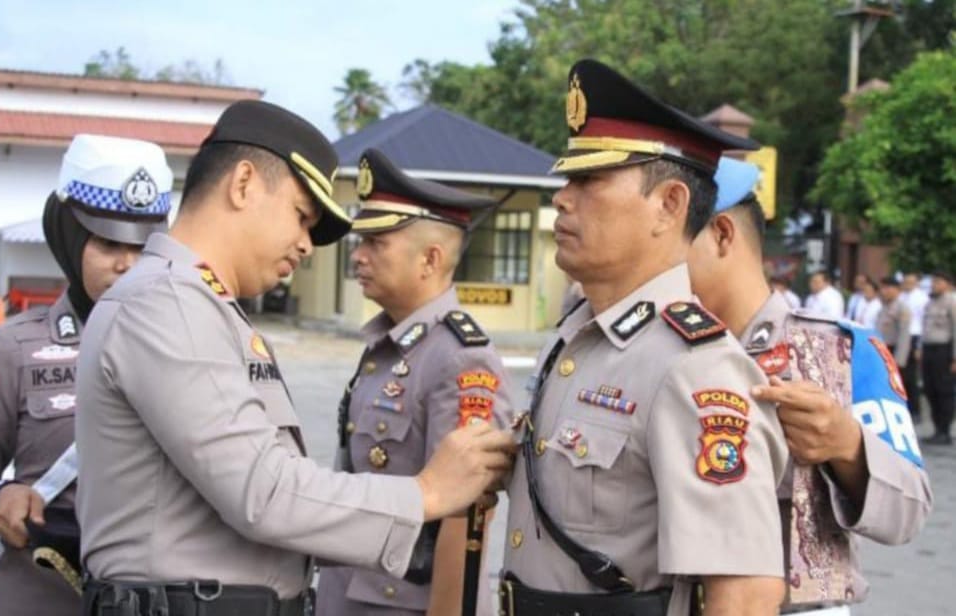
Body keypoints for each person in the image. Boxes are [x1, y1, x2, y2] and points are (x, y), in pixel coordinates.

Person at [74, 100, 515, 616]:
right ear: (243, 185)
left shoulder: (201, 306)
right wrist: (425, 494)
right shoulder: (169, 303)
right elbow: (263, 490)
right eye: (302, 217)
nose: (308, 246)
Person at [500, 59, 789, 616]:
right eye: (566, 179)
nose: (562, 198)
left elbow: (745, 595)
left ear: (669, 205)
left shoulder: (694, 368)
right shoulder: (578, 342)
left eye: (589, 180)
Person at [689, 158, 931, 614]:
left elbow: (910, 510)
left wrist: (849, 447)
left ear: (722, 234)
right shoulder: (657, 349)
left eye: (675, 240)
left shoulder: (838, 349)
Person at [0, 135, 174, 616]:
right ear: (68, 235)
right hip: (42, 597)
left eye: (143, 247)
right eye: (108, 244)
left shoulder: (191, 348)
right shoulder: (10, 349)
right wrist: (1, 496)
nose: (128, 265)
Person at [315, 148, 514, 616]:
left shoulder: (461, 357)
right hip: (348, 593)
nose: (358, 256)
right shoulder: (389, 345)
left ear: (430, 258)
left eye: (376, 243)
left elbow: (466, 518)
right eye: (359, 241)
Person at [920, 272, 956, 445]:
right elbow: (924, 328)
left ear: (947, 284)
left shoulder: (952, 301)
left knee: (944, 391)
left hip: (944, 350)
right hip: (929, 349)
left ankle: (945, 430)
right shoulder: (930, 302)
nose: (934, 284)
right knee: (930, 389)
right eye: (933, 281)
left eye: (938, 282)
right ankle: (936, 429)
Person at [900, 272, 930, 422]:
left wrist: (919, 345)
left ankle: (916, 410)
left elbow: (925, 322)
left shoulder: (922, 298)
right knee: (901, 375)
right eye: (906, 281)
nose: (907, 284)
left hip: (914, 336)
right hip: (902, 336)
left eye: (911, 282)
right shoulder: (902, 296)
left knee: (912, 377)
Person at [876, 277, 913, 382]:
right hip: (883, 350)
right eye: (882, 288)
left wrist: (899, 361)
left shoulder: (902, 308)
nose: (883, 291)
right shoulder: (883, 307)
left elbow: (904, 336)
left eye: (887, 288)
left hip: (894, 351)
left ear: (897, 290)